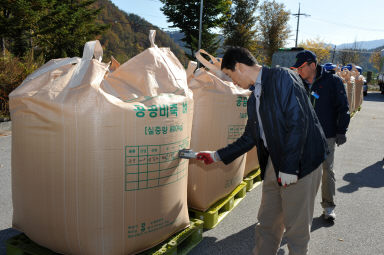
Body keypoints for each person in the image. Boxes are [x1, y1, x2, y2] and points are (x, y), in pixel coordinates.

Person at [196, 47, 328, 255]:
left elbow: (298, 122)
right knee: (267, 222)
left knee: (296, 229)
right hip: (276, 162)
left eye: (230, 75)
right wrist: (216, 156)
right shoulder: (253, 98)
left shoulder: (282, 77)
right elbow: (250, 137)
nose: (232, 82)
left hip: (302, 162)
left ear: (239, 66)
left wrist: (289, 167)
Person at [291, 50, 350, 221]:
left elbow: (343, 107)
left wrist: (341, 131)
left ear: (312, 65)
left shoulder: (332, 81)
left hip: (327, 135)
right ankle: (298, 208)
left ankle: (328, 207)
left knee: (326, 170)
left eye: (301, 67)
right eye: (297, 68)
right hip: (302, 135)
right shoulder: (298, 82)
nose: (299, 71)